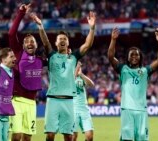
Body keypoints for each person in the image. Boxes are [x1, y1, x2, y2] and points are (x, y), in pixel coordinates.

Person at [31, 11, 96, 141]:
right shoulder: (52, 55)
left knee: (68, 136)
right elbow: (45, 42)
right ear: (56, 43)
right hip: (53, 100)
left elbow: (87, 45)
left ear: (68, 43)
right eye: (60, 39)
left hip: (69, 101)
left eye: (64, 39)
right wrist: (40, 26)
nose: (62, 40)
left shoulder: (73, 57)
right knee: (50, 135)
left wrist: (92, 28)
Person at [107, 28, 158, 141]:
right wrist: (113, 40)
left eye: (136, 55)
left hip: (141, 110)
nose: (134, 56)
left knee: (142, 139)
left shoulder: (145, 70)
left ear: (140, 57)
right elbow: (110, 57)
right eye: (131, 55)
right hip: (127, 109)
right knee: (127, 139)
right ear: (127, 57)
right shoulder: (122, 69)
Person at [8, 3, 46, 141]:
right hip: (16, 101)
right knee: (16, 136)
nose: (30, 43)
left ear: (36, 45)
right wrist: (21, 13)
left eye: (32, 41)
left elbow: (53, 55)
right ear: (23, 45)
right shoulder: (18, 53)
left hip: (32, 103)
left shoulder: (40, 60)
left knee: (28, 137)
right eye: (27, 41)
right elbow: (11, 34)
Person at [73, 61, 94, 141]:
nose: (78, 68)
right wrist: (77, 67)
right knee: (73, 137)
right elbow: (70, 83)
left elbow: (92, 85)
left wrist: (81, 75)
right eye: (77, 67)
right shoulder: (68, 77)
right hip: (73, 109)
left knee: (89, 137)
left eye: (79, 67)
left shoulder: (81, 78)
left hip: (84, 110)